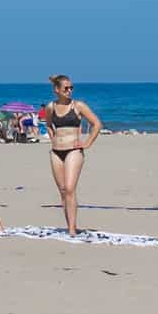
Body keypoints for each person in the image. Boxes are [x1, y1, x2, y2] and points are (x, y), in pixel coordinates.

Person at [44, 75, 101, 236]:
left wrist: (87, 143)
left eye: (71, 88)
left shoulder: (78, 106)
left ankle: (72, 228)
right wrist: (53, 137)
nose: (69, 91)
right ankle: (69, 224)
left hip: (74, 150)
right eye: (66, 88)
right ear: (57, 90)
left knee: (69, 188)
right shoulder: (50, 107)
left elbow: (96, 124)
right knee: (62, 190)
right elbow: (48, 124)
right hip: (56, 151)